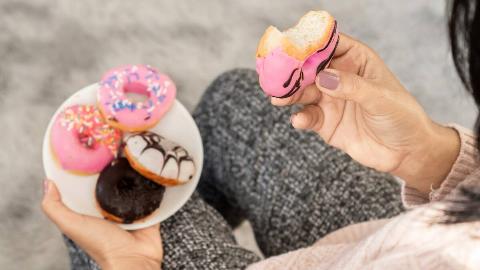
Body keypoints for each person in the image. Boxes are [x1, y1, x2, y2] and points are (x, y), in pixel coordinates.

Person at [41, 0, 480, 269]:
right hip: (411, 231)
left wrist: (130, 264)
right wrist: (429, 157)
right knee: (237, 100)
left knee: (101, 215)